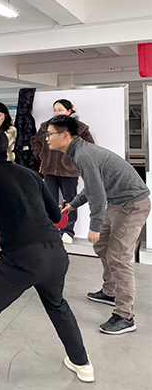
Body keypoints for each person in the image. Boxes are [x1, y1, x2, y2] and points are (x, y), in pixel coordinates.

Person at [0, 128, 93, 390]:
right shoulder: (30, 173)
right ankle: (83, 363)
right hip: (56, 254)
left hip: (23, 258)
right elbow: (56, 217)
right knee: (56, 304)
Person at [48, 114, 149, 335]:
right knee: (102, 246)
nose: (47, 138)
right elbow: (94, 186)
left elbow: (97, 195)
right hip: (118, 203)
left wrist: (95, 225)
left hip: (132, 204)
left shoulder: (83, 155)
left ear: (65, 136)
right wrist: (73, 204)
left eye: (50, 134)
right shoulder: (81, 152)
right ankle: (110, 291)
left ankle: (125, 315)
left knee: (119, 257)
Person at [31, 100, 95, 244]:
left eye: (60, 110)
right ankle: (50, 229)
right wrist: (41, 155)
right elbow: (35, 142)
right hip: (49, 170)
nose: (56, 113)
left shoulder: (79, 128)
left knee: (70, 201)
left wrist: (76, 160)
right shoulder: (45, 127)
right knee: (49, 200)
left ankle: (68, 231)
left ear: (69, 111)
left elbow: (89, 146)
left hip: (69, 171)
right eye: (54, 110)